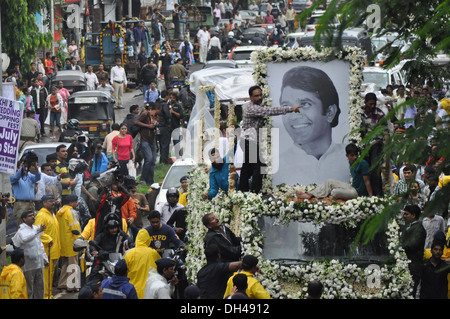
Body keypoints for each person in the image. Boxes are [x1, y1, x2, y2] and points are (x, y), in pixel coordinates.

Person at [274, 66, 348, 187]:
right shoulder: (276, 167)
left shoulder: (348, 159)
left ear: (330, 112)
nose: (293, 116)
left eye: (305, 104)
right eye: (286, 106)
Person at [240, 85, 301, 193]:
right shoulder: (253, 108)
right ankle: (254, 194)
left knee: (247, 168)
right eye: (256, 96)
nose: (259, 97)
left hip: (248, 140)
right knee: (259, 166)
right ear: (250, 97)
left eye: (260, 95)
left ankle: (242, 192)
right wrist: (290, 109)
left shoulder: (254, 106)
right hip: (250, 141)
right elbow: (269, 111)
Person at [296, 143, 373, 200]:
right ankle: (309, 194)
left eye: (356, 155)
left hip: (357, 193)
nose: (355, 157)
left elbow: (367, 181)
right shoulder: (350, 162)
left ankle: (319, 196)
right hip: (352, 187)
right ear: (347, 155)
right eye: (352, 155)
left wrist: (370, 197)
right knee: (329, 182)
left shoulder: (362, 163)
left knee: (334, 192)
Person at [11, 210, 48, 299]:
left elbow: (40, 245)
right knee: (29, 288)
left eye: (33, 215)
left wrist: (45, 258)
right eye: (30, 216)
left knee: (40, 287)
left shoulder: (36, 228)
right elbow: (25, 239)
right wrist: (38, 231)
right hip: (28, 264)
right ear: (24, 219)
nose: (33, 217)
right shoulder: (21, 230)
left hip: (39, 262)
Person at [34, 194, 60, 299]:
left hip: (53, 251)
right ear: (44, 203)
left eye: (53, 200)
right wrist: (48, 240)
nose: (53, 202)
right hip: (46, 251)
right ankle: (45, 296)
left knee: (50, 275)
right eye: (50, 201)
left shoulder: (52, 214)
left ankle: (49, 295)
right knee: (45, 276)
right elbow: (37, 232)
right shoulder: (41, 215)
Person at [362, 92, 387, 197]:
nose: (372, 106)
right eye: (370, 104)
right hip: (363, 145)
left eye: (374, 104)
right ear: (365, 102)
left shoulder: (380, 114)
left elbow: (385, 132)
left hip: (376, 144)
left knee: (375, 169)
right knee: (365, 169)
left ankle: (378, 194)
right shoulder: (359, 113)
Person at [123, 228, 160, 299]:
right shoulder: (153, 253)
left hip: (133, 291)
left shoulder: (129, 254)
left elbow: (124, 271)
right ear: (148, 239)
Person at [55, 194, 81, 292]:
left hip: (62, 242)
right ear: (71, 203)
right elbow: (75, 228)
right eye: (75, 201)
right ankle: (72, 286)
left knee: (65, 263)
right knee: (73, 264)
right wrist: (79, 241)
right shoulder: (71, 212)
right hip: (71, 242)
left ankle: (62, 284)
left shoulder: (59, 212)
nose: (77, 203)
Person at [400, 204, 426, 298]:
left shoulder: (419, 229)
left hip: (414, 267)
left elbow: (412, 245)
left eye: (406, 214)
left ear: (413, 215)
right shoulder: (408, 227)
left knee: (410, 293)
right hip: (406, 266)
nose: (404, 216)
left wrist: (399, 245)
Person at [11, 152, 41, 226]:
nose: (25, 168)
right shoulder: (14, 177)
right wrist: (24, 166)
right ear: (18, 167)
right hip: (21, 204)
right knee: (21, 225)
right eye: (21, 166)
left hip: (31, 203)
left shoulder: (30, 176)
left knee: (32, 225)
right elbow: (17, 176)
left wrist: (36, 167)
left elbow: (38, 177)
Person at [135, 103, 158, 185]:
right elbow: (136, 122)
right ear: (151, 110)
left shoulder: (157, 117)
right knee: (149, 159)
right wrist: (148, 126)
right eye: (155, 112)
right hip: (145, 140)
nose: (155, 115)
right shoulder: (145, 114)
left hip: (153, 141)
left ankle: (150, 180)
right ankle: (143, 178)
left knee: (153, 161)